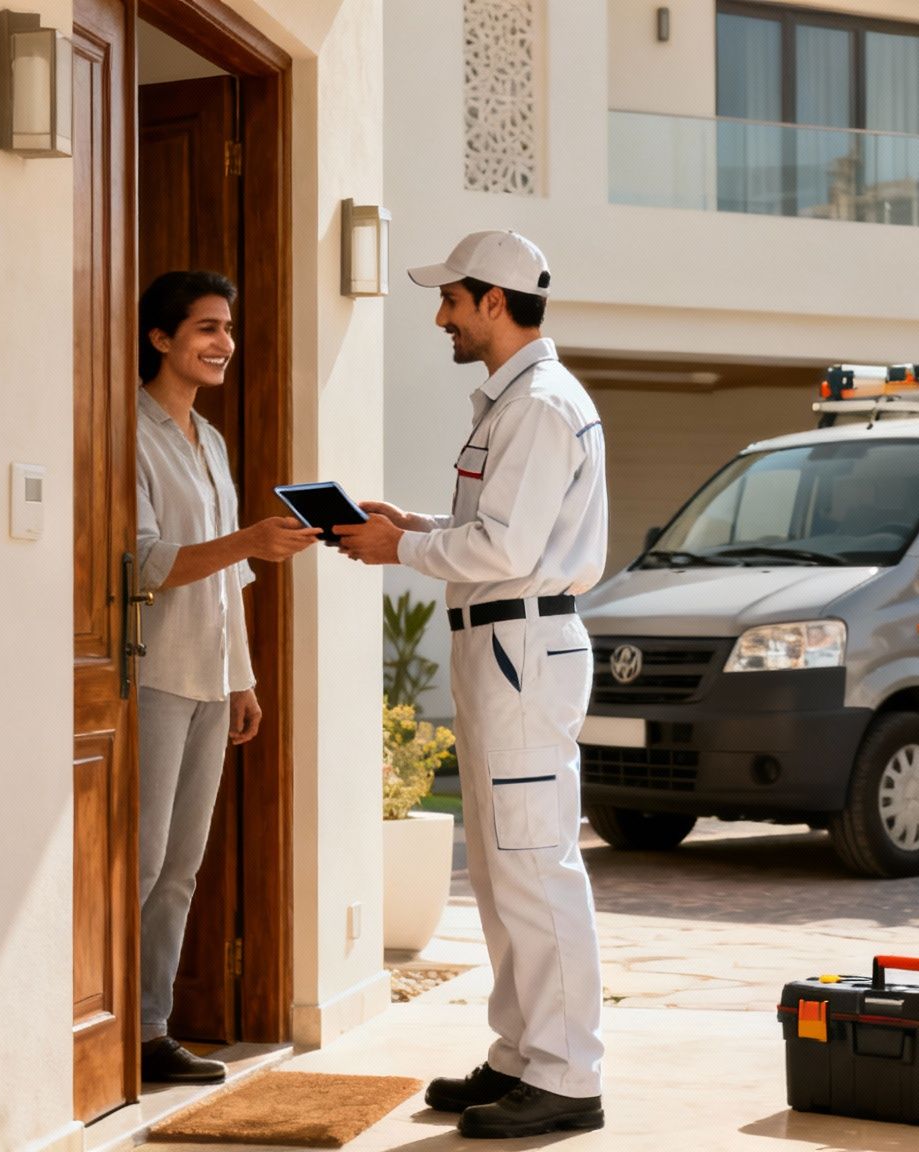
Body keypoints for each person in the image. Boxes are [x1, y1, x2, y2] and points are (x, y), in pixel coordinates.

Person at [339, 231, 609, 1139]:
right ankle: (521, 1056)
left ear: (495, 301)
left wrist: (401, 547)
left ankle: (569, 1076)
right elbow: (496, 529)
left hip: (520, 650)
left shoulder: (535, 404)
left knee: (534, 866)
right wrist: (412, 521)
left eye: (451, 298)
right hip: (504, 647)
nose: (441, 315)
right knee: (503, 870)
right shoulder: (515, 403)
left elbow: (507, 550)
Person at [133, 270, 319, 1083]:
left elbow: (228, 583)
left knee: (181, 868)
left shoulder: (209, 442)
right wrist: (247, 540)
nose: (224, 344)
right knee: (137, 864)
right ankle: (98, 1030)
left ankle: (148, 1029)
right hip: (153, 678)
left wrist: (242, 678)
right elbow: (144, 564)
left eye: (229, 330)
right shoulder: (124, 433)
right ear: (161, 338)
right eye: (207, 328)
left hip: (211, 679)